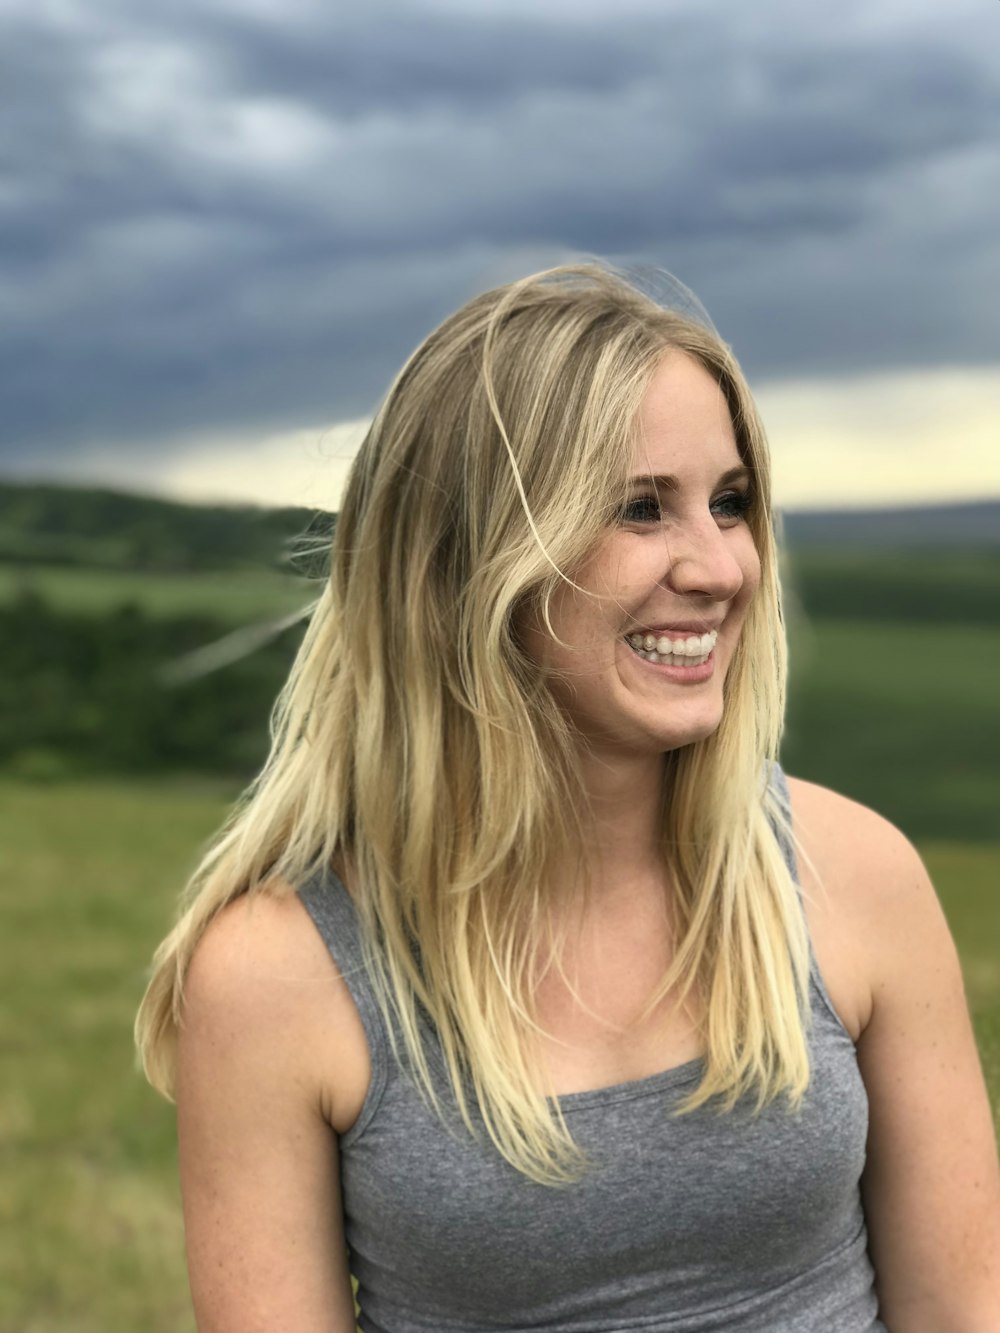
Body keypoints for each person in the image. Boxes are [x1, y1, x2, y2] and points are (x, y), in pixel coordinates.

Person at [136, 263, 1000, 1332]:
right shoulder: (276, 975)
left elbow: (965, 1305)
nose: (722, 566)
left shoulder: (852, 874)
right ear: (467, 559)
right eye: (641, 508)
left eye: (730, 503)